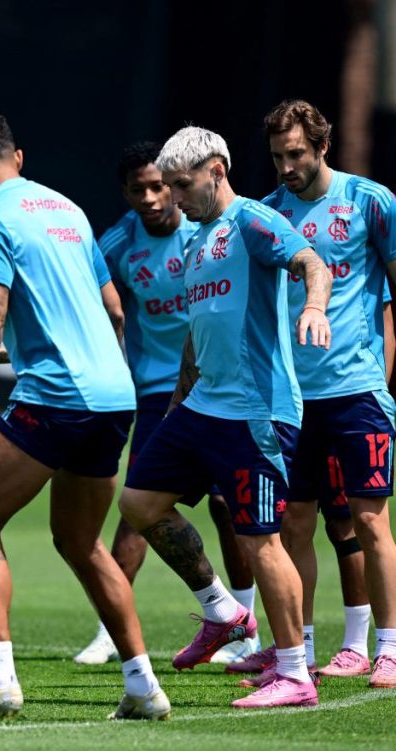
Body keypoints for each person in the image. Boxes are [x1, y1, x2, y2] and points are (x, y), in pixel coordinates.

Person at [0, 112, 170, 723]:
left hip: (55, 395)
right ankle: (143, 686)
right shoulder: (67, 210)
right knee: (82, 542)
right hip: (116, 395)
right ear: (19, 155)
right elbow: (114, 310)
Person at [118, 126, 334, 709]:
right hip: (201, 405)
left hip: (257, 411)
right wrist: (175, 407)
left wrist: (313, 306)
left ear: (216, 170)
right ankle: (223, 611)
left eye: (182, 185)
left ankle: (293, 673)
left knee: (260, 539)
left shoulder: (254, 222)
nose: (174, 197)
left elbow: (313, 262)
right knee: (138, 503)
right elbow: (199, 331)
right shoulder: (194, 238)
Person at [76, 141, 258, 666]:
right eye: (140, 190)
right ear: (126, 194)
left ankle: (243, 628)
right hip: (159, 392)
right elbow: (98, 308)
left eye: (161, 186)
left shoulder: (207, 231)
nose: (154, 198)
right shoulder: (115, 244)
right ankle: (112, 629)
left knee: (229, 506)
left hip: (224, 385)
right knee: (138, 506)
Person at [257, 99, 396, 688]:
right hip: (292, 396)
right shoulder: (268, 212)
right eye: (277, 157)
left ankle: (386, 648)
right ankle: (301, 648)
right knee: (294, 525)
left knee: (369, 521)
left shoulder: (371, 201)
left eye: (295, 154)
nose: (286, 167)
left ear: (321, 147)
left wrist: (384, 383)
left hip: (356, 388)